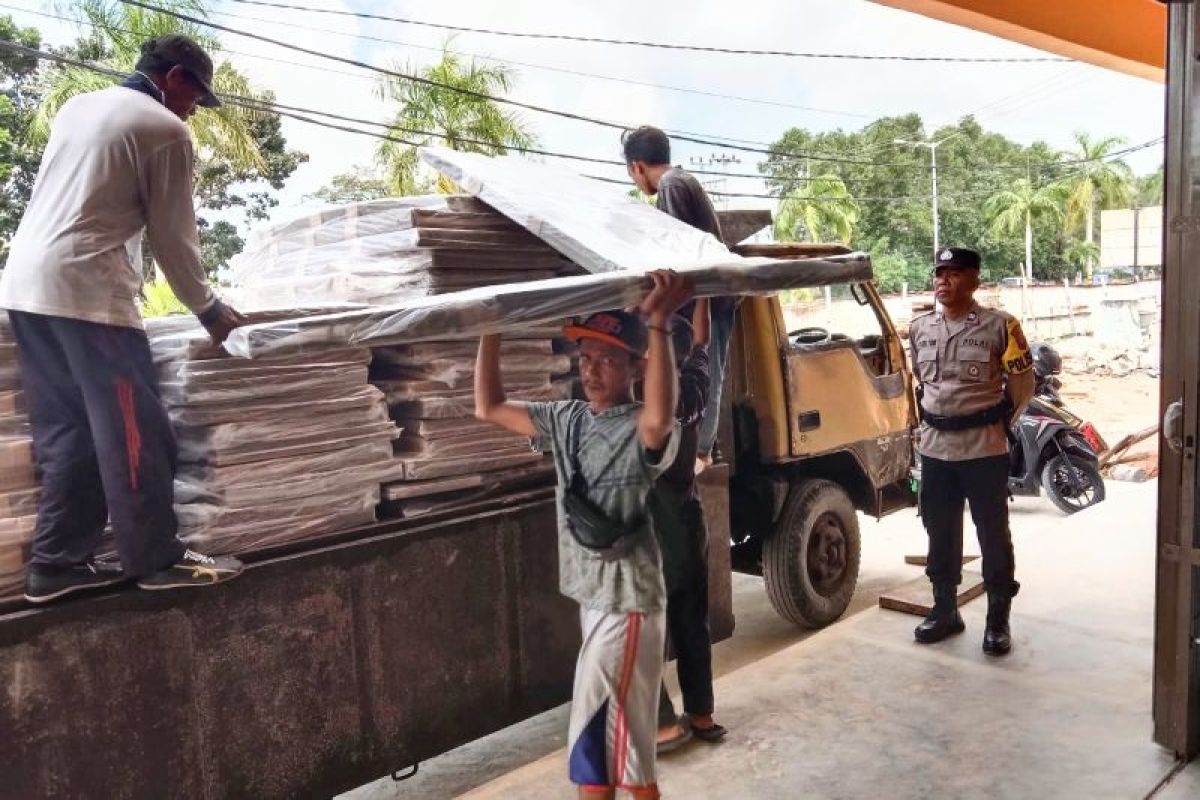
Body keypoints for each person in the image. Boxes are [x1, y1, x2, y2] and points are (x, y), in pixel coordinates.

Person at [0, 34, 246, 603]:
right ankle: (157, 559)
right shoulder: (164, 130)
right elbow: (173, 239)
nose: (193, 110)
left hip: (26, 286)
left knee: (71, 434)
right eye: (195, 97)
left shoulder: (79, 106)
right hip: (90, 293)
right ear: (177, 77)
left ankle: (55, 566)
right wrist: (209, 309)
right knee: (139, 433)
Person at [475, 271, 690, 800]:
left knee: (592, 743)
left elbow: (661, 415)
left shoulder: (643, 425)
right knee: (633, 750)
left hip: (627, 605)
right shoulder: (566, 419)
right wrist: (490, 330)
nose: (592, 371)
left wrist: (658, 325)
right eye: (586, 359)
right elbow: (489, 407)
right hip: (594, 599)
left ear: (636, 367)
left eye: (609, 359)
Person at [908, 247, 1035, 656]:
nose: (943, 280)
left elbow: (1022, 385)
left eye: (955, 273)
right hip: (935, 449)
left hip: (983, 448)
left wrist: (1001, 425)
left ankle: (998, 621)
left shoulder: (1002, 326)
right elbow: (923, 386)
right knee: (939, 531)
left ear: (975, 280)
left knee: (993, 535)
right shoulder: (920, 328)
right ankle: (945, 610)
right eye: (939, 272)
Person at [622, 125, 735, 466]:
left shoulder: (671, 186)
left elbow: (678, 259)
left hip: (708, 299)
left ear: (637, 167)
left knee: (706, 366)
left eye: (632, 175)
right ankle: (701, 445)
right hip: (708, 297)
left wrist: (647, 305)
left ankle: (702, 450)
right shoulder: (683, 182)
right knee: (704, 366)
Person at [648, 308, 729, 753]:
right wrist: (698, 294)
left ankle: (661, 723)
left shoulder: (647, 405)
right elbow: (701, 343)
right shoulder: (695, 388)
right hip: (685, 520)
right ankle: (702, 714)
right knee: (691, 624)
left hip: (648, 534)